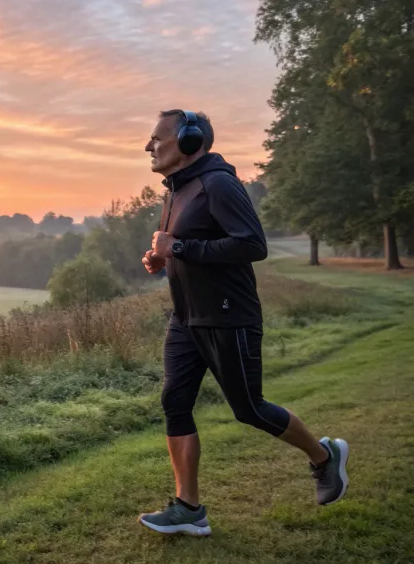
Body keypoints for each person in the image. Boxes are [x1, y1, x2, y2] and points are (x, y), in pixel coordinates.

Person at [137, 109, 349, 537]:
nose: (149, 146)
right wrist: (162, 256)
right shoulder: (175, 191)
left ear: (190, 142)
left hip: (229, 317)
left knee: (248, 409)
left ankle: (325, 456)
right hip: (186, 319)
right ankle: (188, 509)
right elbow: (185, 247)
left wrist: (179, 246)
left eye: (157, 138)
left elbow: (252, 244)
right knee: (175, 403)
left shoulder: (219, 184)